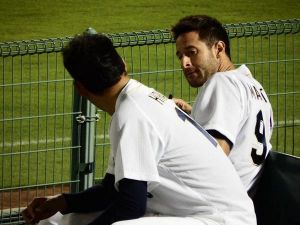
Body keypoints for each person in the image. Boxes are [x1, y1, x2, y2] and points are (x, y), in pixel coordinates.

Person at [22, 31, 256, 225]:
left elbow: (132, 206)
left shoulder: (132, 113)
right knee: (55, 220)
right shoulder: (134, 99)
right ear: (124, 64)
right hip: (189, 212)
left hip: (222, 219)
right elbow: (111, 191)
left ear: (79, 88)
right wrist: (61, 202)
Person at [171, 15, 274, 195]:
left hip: (215, 206)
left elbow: (214, 156)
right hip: (247, 198)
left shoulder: (221, 83)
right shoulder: (254, 86)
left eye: (192, 52)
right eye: (181, 55)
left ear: (218, 48)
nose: (184, 63)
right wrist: (191, 112)